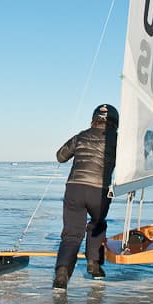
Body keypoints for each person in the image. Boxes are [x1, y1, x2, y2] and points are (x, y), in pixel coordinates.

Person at [53, 103, 118, 289]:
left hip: (74, 188)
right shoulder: (118, 140)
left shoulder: (81, 136)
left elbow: (60, 156)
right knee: (97, 225)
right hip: (99, 190)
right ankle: (94, 264)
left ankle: (62, 273)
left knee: (71, 234)